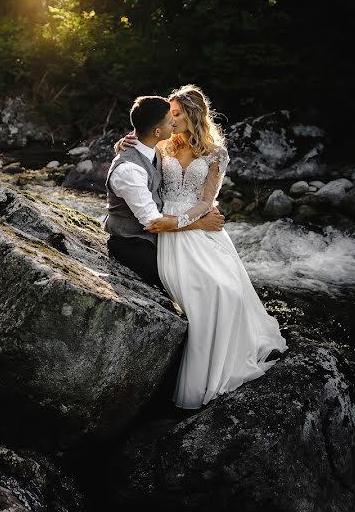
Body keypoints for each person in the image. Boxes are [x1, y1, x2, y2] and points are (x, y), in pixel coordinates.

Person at [114, 85, 288, 409]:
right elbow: (138, 143)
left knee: (227, 289)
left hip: (198, 226)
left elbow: (207, 202)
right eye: (169, 114)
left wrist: (180, 223)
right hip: (167, 228)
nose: (170, 118)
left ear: (191, 115)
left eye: (176, 113)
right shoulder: (164, 143)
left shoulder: (216, 154)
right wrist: (123, 142)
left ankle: (227, 363)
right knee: (206, 290)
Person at [103, 95, 225, 291]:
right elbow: (153, 222)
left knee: (217, 279)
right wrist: (200, 223)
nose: (173, 121)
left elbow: (144, 136)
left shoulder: (156, 146)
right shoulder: (133, 167)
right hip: (137, 241)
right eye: (171, 116)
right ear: (158, 130)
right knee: (193, 282)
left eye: (176, 115)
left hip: (172, 226)